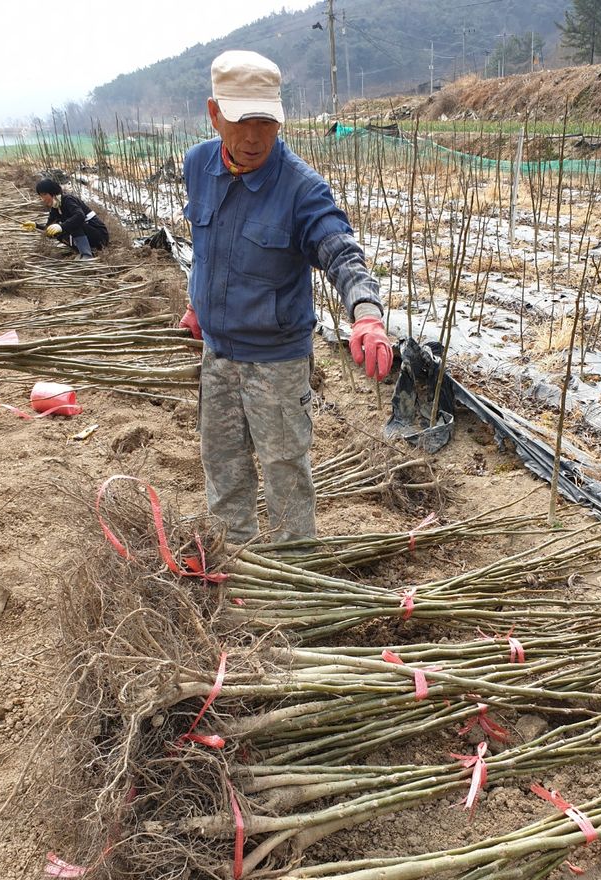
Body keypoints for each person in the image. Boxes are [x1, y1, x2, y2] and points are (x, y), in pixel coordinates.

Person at [181, 49, 393, 544]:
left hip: (275, 363)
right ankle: (238, 562)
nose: (254, 137)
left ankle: (295, 576)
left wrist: (366, 313)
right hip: (217, 355)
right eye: (241, 121)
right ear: (214, 114)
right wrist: (196, 304)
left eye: (266, 122)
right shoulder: (197, 165)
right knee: (222, 466)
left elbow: (341, 252)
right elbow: (205, 244)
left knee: (285, 474)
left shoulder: (301, 189)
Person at [30, 178, 109, 259]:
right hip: (89, 235)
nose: (42, 199)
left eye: (44, 195)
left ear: (52, 192)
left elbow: (80, 216)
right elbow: (48, 228)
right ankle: (84, 250)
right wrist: (36, 226)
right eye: (40, 196)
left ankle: (86, 255)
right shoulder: (55, 207)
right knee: (55, 231)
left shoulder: (68, 200)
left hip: (100, 236)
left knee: (73, 223)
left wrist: (61, 226)